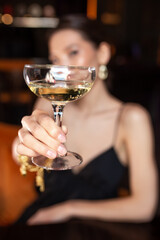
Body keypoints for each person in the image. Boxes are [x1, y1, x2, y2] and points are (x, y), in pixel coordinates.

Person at [13, 14, 158, 225]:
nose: (63, 69)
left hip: (97, 230)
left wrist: (67, 210)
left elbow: (145, 206)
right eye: (55, 60)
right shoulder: (47, 103)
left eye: (73, 52)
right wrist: (25, 144)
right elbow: (20, 153)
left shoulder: (131, 118)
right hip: (39, 227)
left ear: (103, 53)